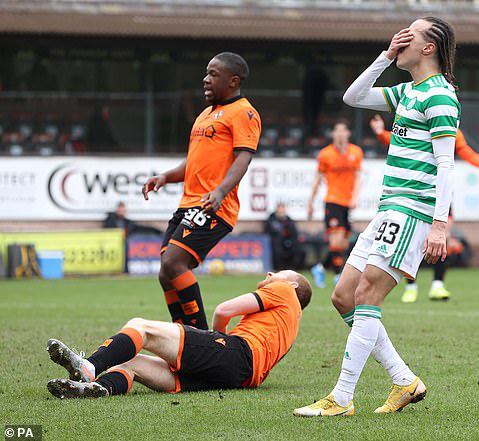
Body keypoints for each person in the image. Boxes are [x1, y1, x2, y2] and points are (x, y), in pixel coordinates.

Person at [294, 17, 459, 417]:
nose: (400, 38)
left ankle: (342, 398)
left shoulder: (439, 95)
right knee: (342, 296)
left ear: (428, 48)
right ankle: (404, 381)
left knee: (367, 296)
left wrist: (439, 224)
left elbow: (447, 164)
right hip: (388, 210)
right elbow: (353, 96)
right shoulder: (407, 91)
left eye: (409, 34)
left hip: (411, 212)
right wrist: (385, 55)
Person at [45, 270, 311, 399]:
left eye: (279, 273)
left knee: (141, 327)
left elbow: (223, 310)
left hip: (236, 354)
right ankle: (98, 389)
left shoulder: (286, 291)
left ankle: (89, 366)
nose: (270, 274)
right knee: (129, 362)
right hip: (241, 378)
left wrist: (215, 339)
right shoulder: (292, 323)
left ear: (292, 283)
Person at [142, 52, 261, 329]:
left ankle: (201, 337)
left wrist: (220, 192)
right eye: (206, 73)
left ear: (232, 81)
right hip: (189, 203)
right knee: (165, 273)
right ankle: (184, 333)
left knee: (174, 262)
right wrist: (166, 177)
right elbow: (194, 161)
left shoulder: (244, 112)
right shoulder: (206, 115)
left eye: (213, 74)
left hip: (212, 205)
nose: (205, 79)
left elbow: (244, 157)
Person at [370, 115, 479, 302]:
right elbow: (397, 139)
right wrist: (379, 133)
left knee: (445, 238)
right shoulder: (417, 125)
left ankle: (438, 285)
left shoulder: (451, 130)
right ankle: (411, 286)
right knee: (412, 242)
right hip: (415, 194)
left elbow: (467, 152)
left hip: (439, 195)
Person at [307, 120, 363, 288]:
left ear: (348, 133)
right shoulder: (325, 154)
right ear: (332, 134)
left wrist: (355, 197)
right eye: (336, 131)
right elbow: (317, 179)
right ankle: (338, 276)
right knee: (336, 241)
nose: (340, 134)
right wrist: (311, 201)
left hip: (347, 203)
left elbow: (359, 177)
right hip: (332, 201)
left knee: (344, 243)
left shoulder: (356, 152)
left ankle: (320, 267)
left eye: (343, 131)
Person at [265, 202, 305, 270]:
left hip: (288, 242)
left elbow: (294, 233)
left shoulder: (288, 220)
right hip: (277, 243)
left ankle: (294, 268)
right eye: (280, 212)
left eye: (283, 211)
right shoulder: (271, 220)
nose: (281, 214)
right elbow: (269, 232)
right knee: (277, 250)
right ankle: (279, 268)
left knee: (300, 250)